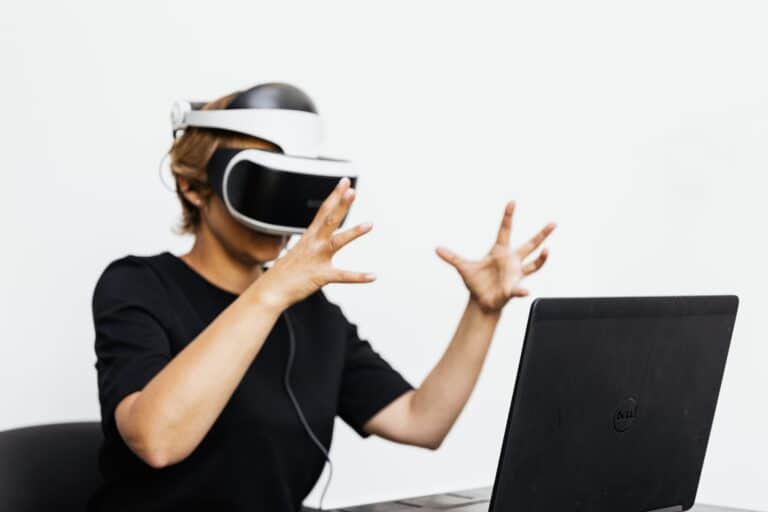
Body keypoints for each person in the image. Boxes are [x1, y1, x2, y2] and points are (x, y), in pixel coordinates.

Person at [88, 83, 556, 512]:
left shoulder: (309, 312)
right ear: (193, 187)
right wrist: (269, 292)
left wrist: (483, 310)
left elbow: (421, 421)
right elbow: (156, 440)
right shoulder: (139, 285)